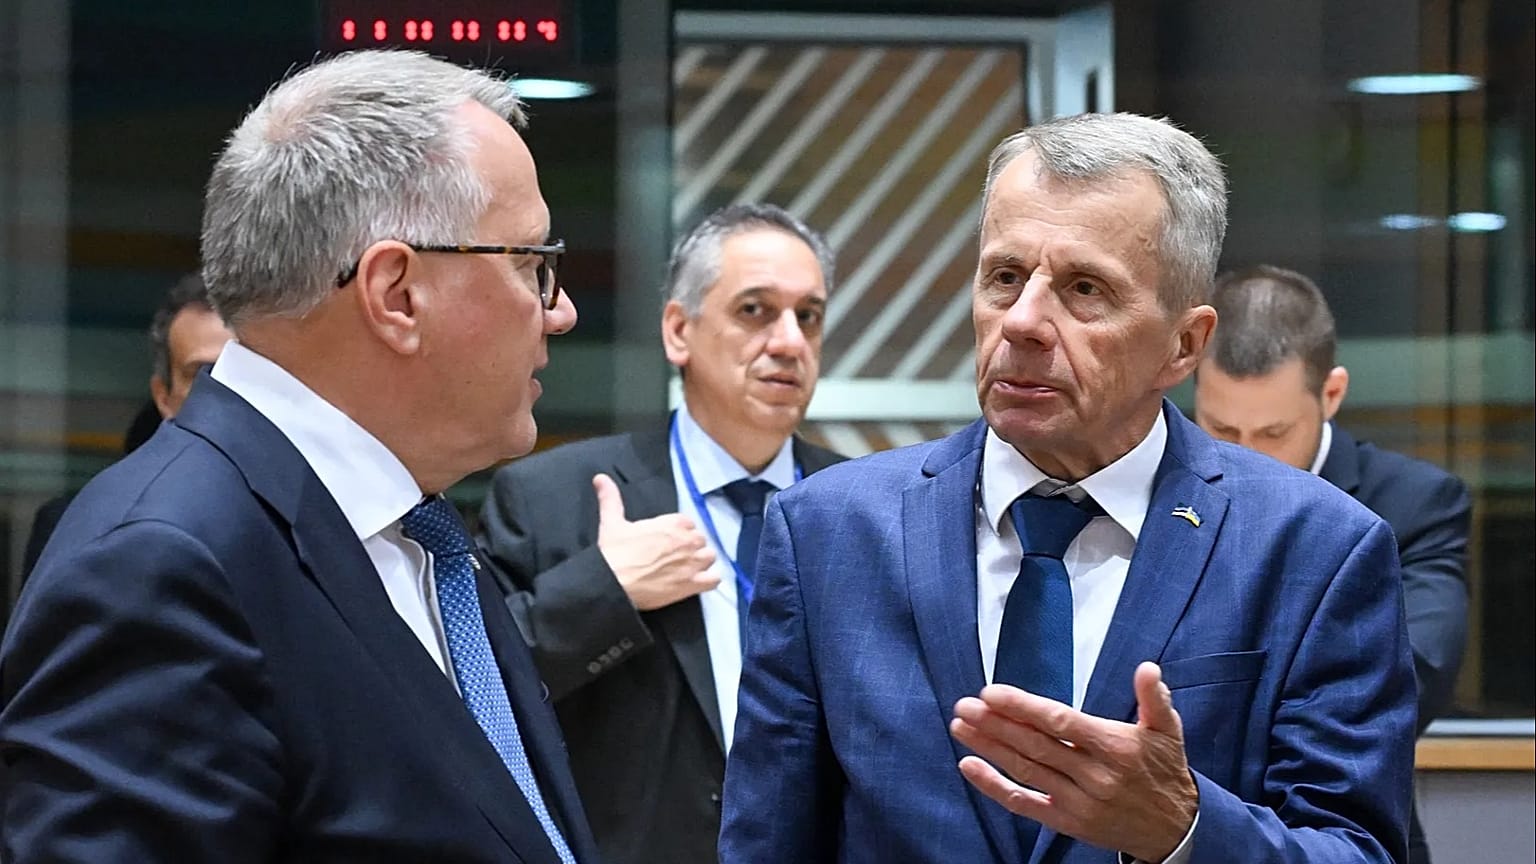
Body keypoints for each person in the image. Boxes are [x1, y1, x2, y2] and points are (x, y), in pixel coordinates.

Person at [720, 112, 1417, 864]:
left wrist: (1184, 829)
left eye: (1085, 289)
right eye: (1004, 277)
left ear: (1184, 344)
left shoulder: (1316, 549)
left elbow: (1360, 850)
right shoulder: (826, 532)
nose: (1022, 322)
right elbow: (766, 845)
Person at [1, 50, 596, 863]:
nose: (559, 312)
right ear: (396, 294)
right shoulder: (160, 563)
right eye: (531, 264)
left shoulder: (417, 532)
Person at [477, 202, 844, 864]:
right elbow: (476, 693)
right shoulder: (550, 496)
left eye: (808, 316)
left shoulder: (864, 507)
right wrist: (604, 590)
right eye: (756, 310)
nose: (790, 341)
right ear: (679, 330)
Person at [1193, 264, 1470, 864]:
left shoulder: (1414, 502)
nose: (1245, 456)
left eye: (1274, 432)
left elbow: (1419, 671)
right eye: (1221, 428)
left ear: (1332, 395)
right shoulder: (1163, 489)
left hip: (1335, 832)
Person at [19, 273, 233, 583]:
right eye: (203, 373)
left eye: (239, 372)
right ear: (163, 397)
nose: (224, 390)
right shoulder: (81, 529)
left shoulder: (299, 517)